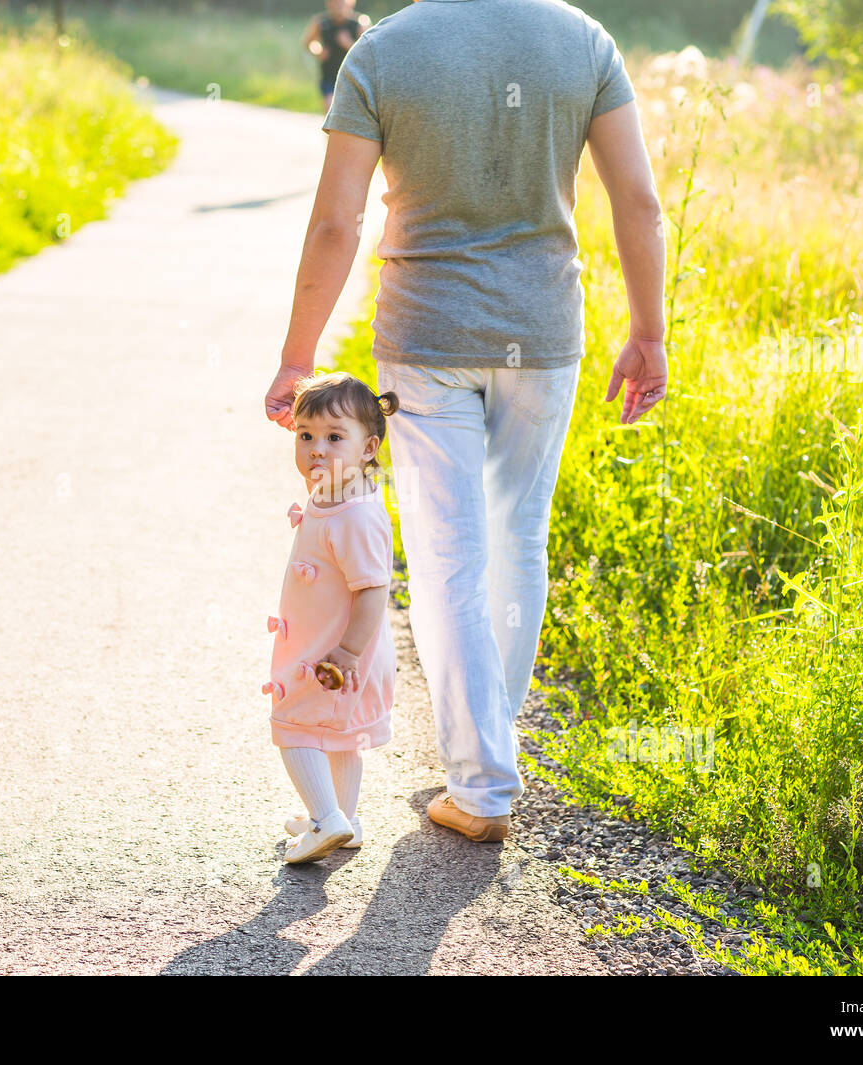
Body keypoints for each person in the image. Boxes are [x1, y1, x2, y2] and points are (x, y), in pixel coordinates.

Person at [265, 0, 667, 844]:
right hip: (543, 331)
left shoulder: (385, 50)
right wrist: (648, 330)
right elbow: (638, 198)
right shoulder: (581, 40)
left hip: (428, 335)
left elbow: (338, 220)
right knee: (517, 539)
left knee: (449, 553)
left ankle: (482, 783)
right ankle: (485, 752)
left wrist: (299, 357)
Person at [264, 371, 401, 863]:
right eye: (306, 436)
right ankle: (345, 817)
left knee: (294, 726)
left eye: (334, 438)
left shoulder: (354, 516)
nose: (316, 449)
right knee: (342, 735)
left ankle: (326, 820)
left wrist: (344, 653)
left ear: (369, 448)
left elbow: (372, 590)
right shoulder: (336, 497)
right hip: (337, 650)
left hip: (335, 653)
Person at [301, 0, 372, 113]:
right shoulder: (321, 22)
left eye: (341, 2)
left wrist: (348, 43)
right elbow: (309, 42)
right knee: (330, 108)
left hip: (354, 78)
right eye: (334, 2)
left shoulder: (360, 23)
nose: (337, 5)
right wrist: (318, 51)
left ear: (351, 3)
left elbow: (368, 53)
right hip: (329, 76)